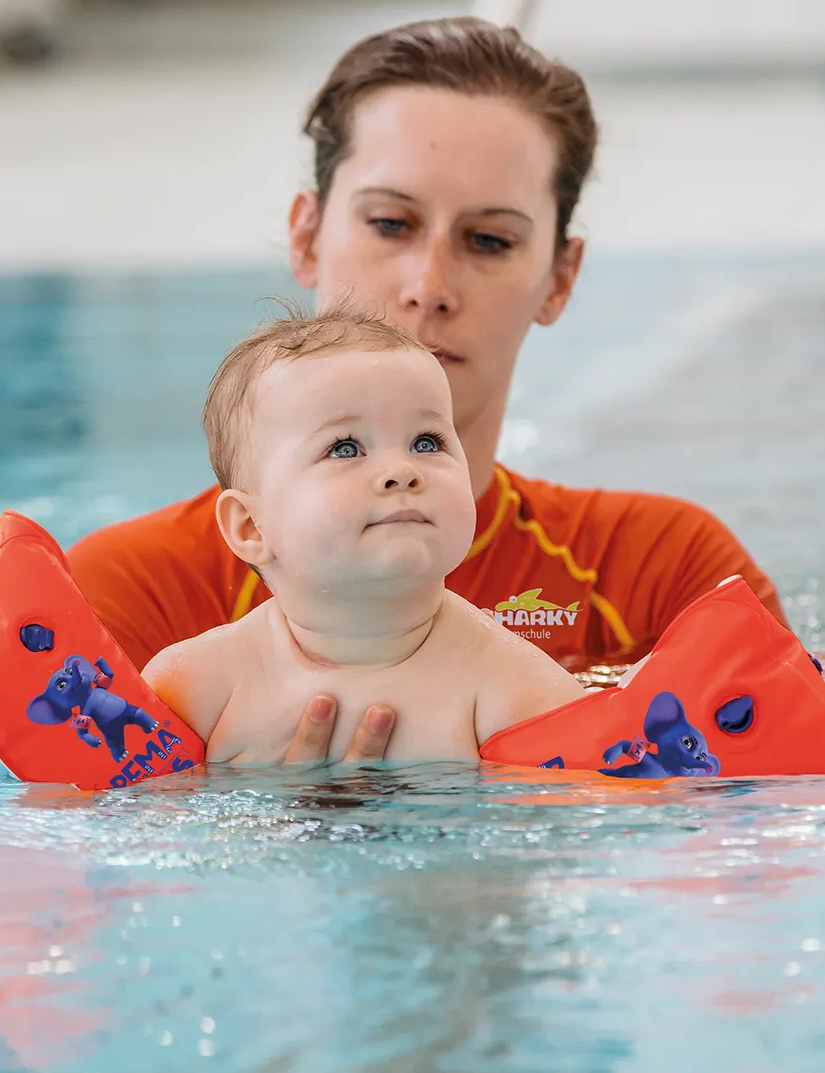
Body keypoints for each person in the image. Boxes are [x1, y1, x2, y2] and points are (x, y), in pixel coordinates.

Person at [68, 16, 786, 764]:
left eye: (489, 240)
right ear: (307, 237)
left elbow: (780, 817)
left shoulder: (658, 575)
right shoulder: (136, 592)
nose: (429, 286)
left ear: (559, 277)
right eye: (389, 223)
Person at [144, 306, 589, 763]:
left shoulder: (518, 692)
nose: (402, 471)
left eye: (426, 442)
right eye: (345, 448)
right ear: (251, 527)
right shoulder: (196, 689)